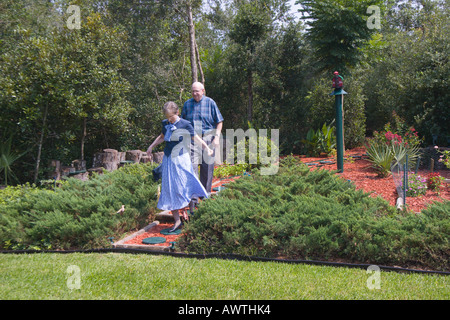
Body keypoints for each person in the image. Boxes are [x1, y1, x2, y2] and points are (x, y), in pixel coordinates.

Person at [146, 101, 214, 232]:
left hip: (181, 159)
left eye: (171, 117)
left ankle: (191, 213)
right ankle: (177, 221)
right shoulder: (165, 124)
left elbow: (196, 138)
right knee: (170, 189)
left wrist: (207, 148)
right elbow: (161, 137)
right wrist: (151, 146)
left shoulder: (185, 124)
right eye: (167, 117)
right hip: (168, 160)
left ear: (177, 113)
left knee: (185, 185)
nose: (169, 120)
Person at [181, 82, 224, 213]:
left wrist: (216, 137)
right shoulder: (187, 104)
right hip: (193, 140)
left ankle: (204, 200)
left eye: (197, 91)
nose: (195, 93)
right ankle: (193, 202)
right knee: (192, 170)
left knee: (207, 170)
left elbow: (219, 121)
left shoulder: (210, 102)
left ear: (203, 91)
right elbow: (182, 123)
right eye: (193, 91)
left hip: (208, 139)